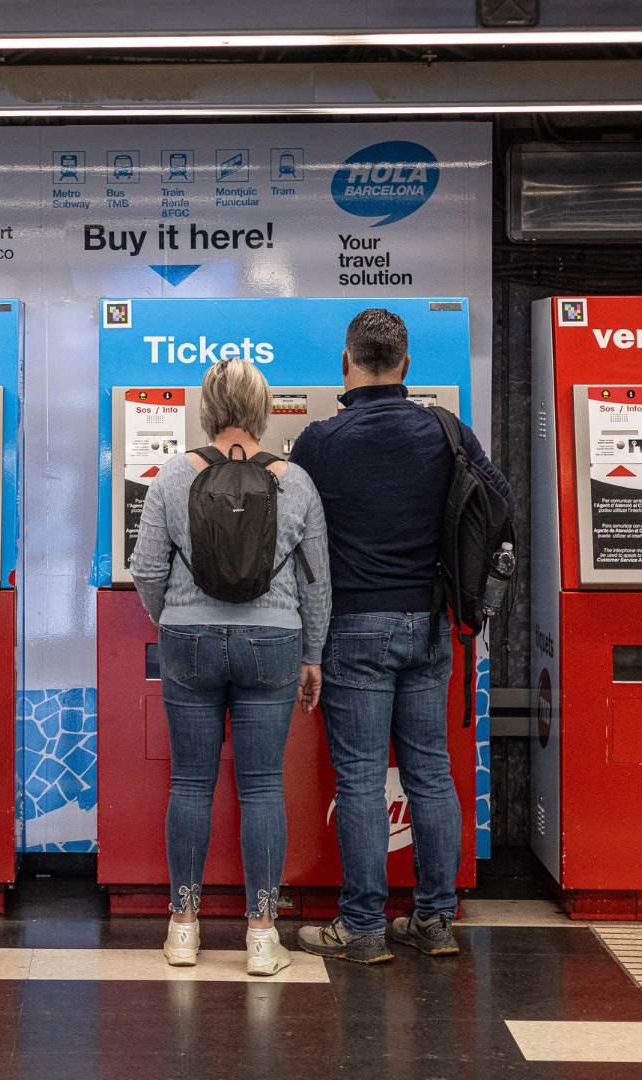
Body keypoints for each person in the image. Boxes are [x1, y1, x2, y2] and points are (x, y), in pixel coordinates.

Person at [289, 309, 512, 965]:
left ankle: (361, 928)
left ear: (346, 364)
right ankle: (435, 920)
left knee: (360, 779)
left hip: (352, 626)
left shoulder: (317, 442)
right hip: (430, 623)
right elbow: (496, 500)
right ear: (407, 367)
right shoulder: (446, 430)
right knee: (431, 775)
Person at [129, 357, 331, 977]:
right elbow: (317, 581)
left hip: (188, 640)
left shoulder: (170, 474)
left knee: (190, 783)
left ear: (208, 410)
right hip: (273, 643)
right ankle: (263, 937)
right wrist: (312, 654)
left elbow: (145, 569)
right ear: (264, 412)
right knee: (262, 785)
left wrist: (175, 617)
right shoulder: (295, 481)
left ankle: (184, 929)